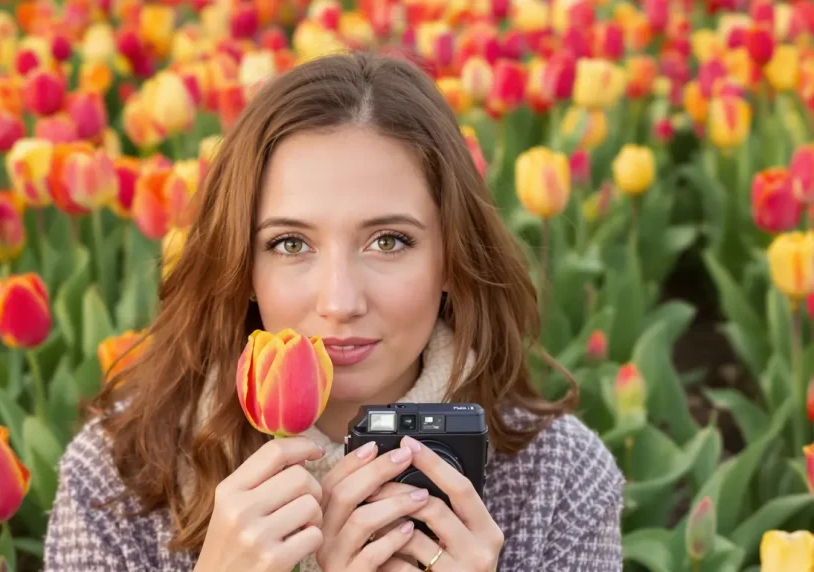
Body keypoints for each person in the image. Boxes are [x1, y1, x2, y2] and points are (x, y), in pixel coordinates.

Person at [44, 51, 625, 572]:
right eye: (290, 244)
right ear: (243, 266)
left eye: (389, 241)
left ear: (451, 258)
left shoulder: (558, 479)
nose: (340, 302)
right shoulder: (120, 471)